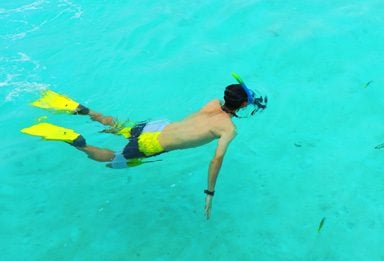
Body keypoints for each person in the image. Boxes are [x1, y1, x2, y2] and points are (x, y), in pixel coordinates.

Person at [21, 74, 267, 219]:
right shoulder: (228, 129)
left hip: (155, 126)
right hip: (153, 143)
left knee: (120, 127)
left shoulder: (212, 103)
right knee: (114, 160)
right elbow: (216, 160)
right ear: (245, 105)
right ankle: (75, 140)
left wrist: (242, 98)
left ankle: (81, 110)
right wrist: (209, 194)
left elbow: (231, 101)